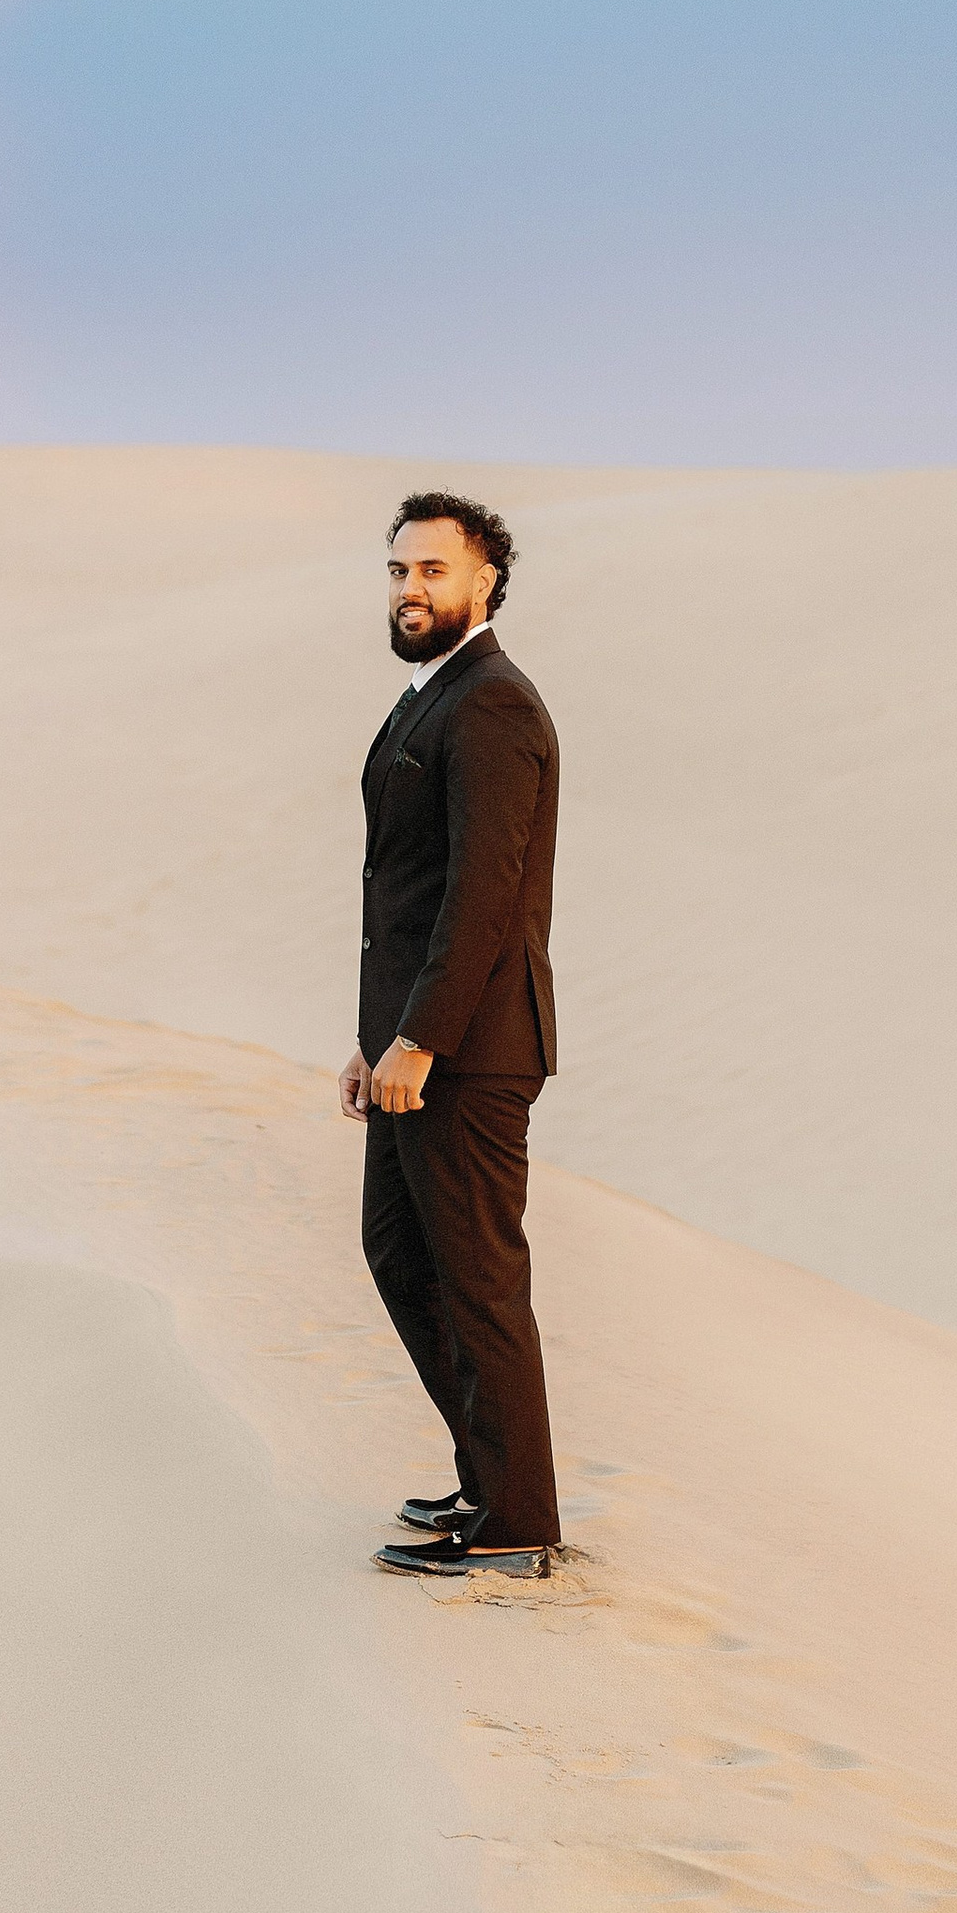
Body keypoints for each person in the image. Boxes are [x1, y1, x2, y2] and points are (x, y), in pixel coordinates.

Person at [342, 492, 564, 1575]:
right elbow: (407, 889)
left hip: (470, 1053)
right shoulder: (426, 697)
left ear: (484, 581)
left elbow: (482, 896)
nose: (410, 589)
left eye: (433, 570)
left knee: (476, 1279)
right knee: (399, 1253)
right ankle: (488, 1479)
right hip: (414, 1048)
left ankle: (518, 1522)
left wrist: (421, 1038)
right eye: (397, 571)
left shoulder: (493, 706)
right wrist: (374, 1037)